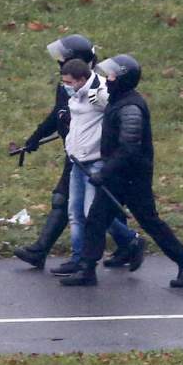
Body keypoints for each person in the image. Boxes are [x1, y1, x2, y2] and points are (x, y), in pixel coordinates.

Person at [60, 54, 183, 287]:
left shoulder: (130, 108)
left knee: (149, 221)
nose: (108, 78)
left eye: (113, 75)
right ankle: (86, 269)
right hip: (118, 175)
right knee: (95, 219)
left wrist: (103, 173)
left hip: (133, 178)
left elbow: (129, 148)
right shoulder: (118, 100)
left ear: (124, 78)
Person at [13, 35, 141, 271]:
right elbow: (58, 115)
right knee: (77, 206)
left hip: (93, 158)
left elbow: (114, 116)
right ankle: (118, 246)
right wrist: (35, 138)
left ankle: (116, 246)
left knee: (87, 208)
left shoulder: (100, 90)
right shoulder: (68, 86)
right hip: (74, 154)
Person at [54, 58, 145, 282]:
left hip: (95, 160)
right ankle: (78, 259)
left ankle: (131, 239)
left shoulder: (102, 92)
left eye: (69, 82)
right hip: (77, 160)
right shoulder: (75, 93)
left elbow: (116, 111)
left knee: (92, 214)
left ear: (82, 79)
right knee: (75, 212)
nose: (66, 86)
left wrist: (105, 101)